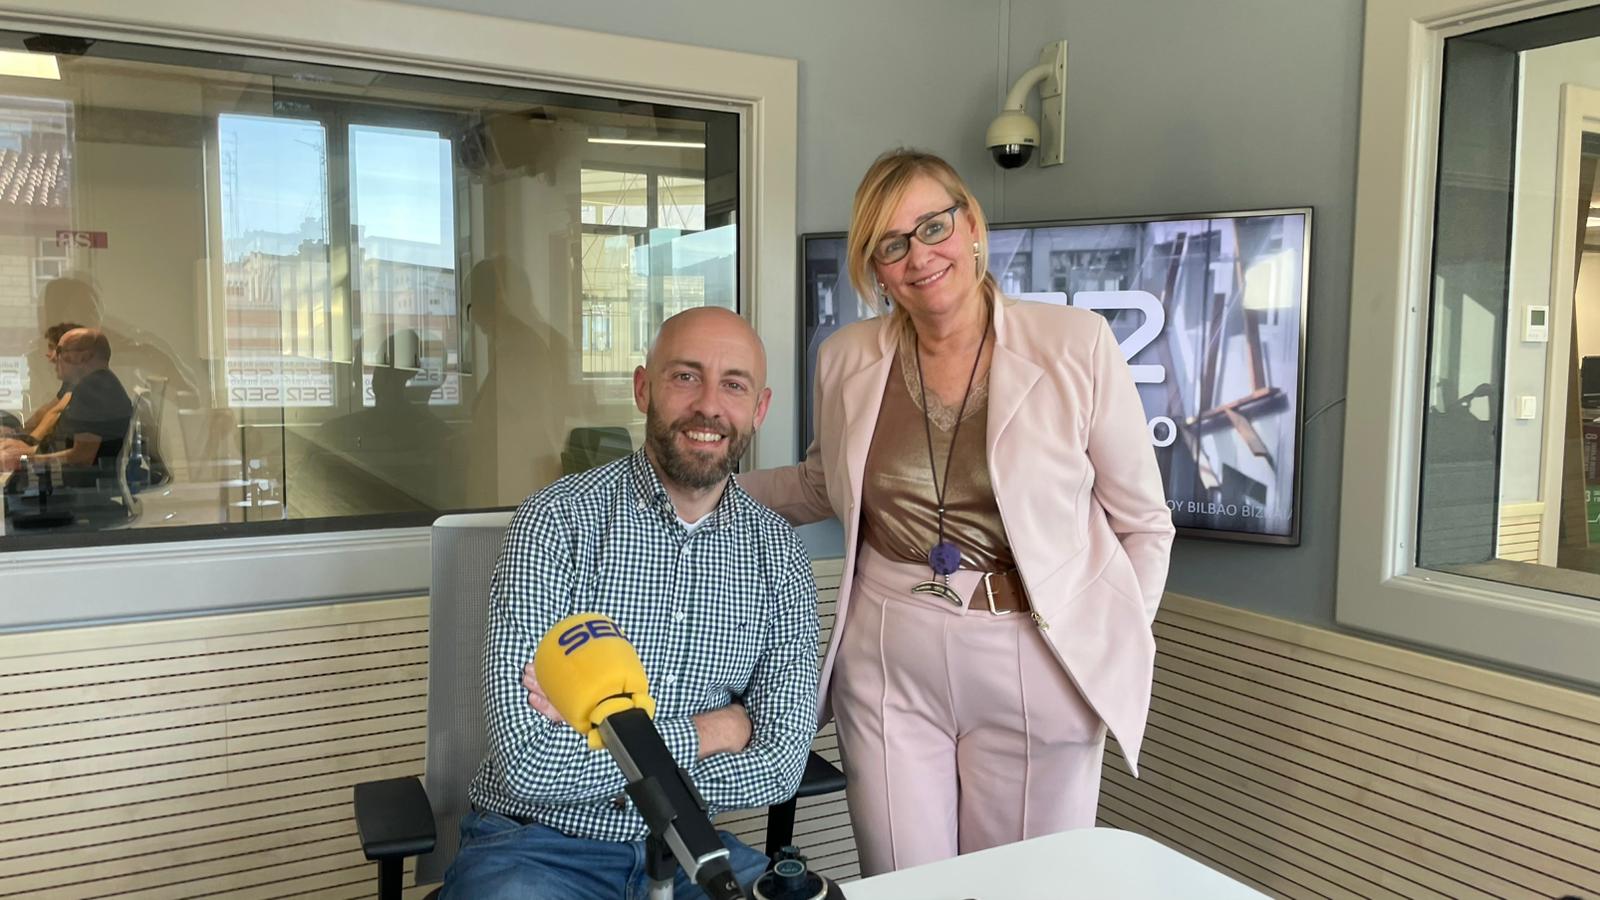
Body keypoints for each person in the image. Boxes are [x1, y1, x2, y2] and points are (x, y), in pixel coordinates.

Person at [738, 149, 1175, 875]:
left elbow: (1144, 523)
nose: (919, 256)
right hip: (889, 650)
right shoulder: (845, 358)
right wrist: (699, 490)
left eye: (933, 227)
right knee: (903, 882)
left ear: (971, 224)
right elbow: (822, 483)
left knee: (1027, 888)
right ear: (876, 269)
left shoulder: (1076, 344)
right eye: (891, 244)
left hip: (1035, 651)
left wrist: (1105, 641)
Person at [442, 306, 821, 900]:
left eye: (734, 385)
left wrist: (601, 742)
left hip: (690, 849)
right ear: (644, 388)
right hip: (536, 847)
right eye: (685, 376)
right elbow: (528, 762)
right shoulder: (555, 523)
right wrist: (715, 729)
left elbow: (779, 765)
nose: (709, 405)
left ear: (759, 409)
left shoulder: (780, 556)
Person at [0, 327, 132, 477]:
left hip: (78, 483)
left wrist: (23, 459)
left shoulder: (93, 389)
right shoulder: (93, 384)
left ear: (83, 357)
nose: (54, 357)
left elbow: (82, 458)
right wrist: (24, 448)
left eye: (60, 351)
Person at [0, 321, 82, 446]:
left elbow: (54, 415)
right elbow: (47, 410)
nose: (48, 354)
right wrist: (18, 433)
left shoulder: (85, 382)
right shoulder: (72, 381)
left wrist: (24, 443)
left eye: (52, 347)